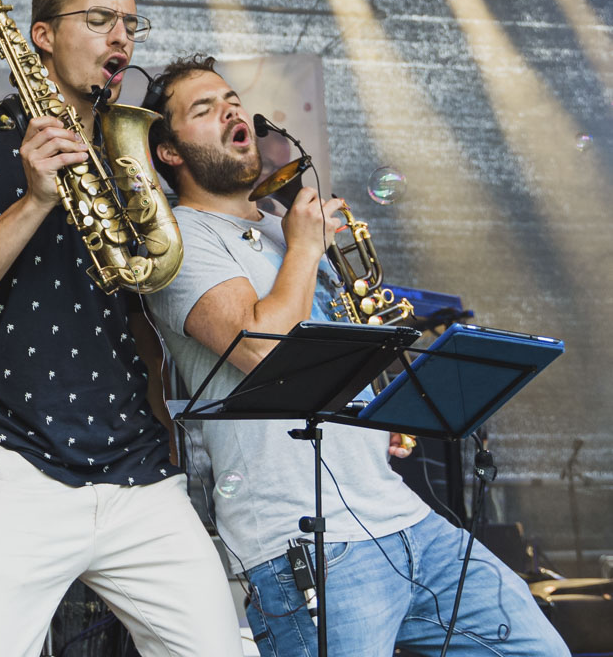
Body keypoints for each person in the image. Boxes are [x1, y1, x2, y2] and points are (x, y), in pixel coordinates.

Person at [141, 55, 570, 657]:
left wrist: (376, 416)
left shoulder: (284, 226)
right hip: (307, 543)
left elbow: (332, 353)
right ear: (169, 151)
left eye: (233, 100)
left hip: (404, 516)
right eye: (204, 109)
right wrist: (303, 248)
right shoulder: (179, 240)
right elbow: (261, 350)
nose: (231, 112)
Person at [0, 0, 243, 657]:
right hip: (12, 465)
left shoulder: (131, 155)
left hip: (138, 472)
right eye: (98, 20)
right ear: (42, 36)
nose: (120, 37)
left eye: (130, 24)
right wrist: (34, 200)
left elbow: (142, 313)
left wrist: (162, 428)